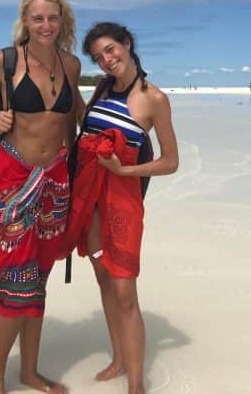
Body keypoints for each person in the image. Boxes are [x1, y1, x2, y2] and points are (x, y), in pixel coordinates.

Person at [0, 0, 81, 394]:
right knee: (13, 277)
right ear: (25, 22)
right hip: (11, 175)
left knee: (38, 277)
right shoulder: (5, 60)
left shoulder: (71, 65)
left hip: (55, 179)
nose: (46, 25)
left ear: (63, 21)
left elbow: (72, 119)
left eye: (53, 18)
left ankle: (29, 371)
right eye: (37, 18)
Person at [59, 22, 179, 394]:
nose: (107, 60)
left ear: (127, 44)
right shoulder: (102, 88)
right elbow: (85, 127)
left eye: (111, 50)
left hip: (123, 204)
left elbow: (171, 162)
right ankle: (119, 358)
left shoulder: (153, 99)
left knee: (125, 291)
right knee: (103, 280)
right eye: (98, 57)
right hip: (90, 198)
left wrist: (125, 169)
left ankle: (138, 384)